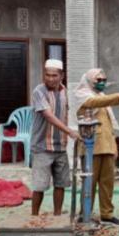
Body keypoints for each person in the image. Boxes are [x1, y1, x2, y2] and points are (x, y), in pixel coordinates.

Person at [68, 68, 119, 226]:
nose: (102, 83)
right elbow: (92, 103)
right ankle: (85, 214)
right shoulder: (82, 94)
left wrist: (113, 147)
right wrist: (118, 95)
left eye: (103, 80)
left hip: (106, 145)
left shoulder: (103, 96)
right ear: (89, 80)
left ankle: (107, 214)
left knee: (108, 182)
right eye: (98, 80)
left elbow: (109, 126)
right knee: (89, 182)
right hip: (90, 145)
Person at [30, 59, 80, 216]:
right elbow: (48, 116)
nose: (50, 78)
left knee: (61, 183)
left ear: (61, 76)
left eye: (54, 75)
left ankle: (57, 215)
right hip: (42, 146)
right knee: (40, 185)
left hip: (60, 146)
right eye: (47, 75)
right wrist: (70, 131)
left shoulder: (65, 92)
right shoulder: (39, 91)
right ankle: (34, 217)